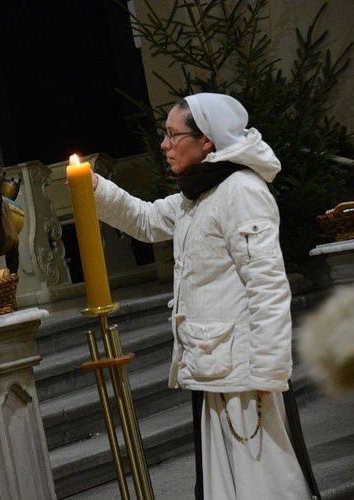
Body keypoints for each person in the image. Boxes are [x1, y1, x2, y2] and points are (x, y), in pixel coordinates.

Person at [79, 93, 317, 499]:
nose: (164, 145)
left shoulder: (240, 190)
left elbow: (268, 285)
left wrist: (268, 371)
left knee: (264, 481)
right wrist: (93, 186)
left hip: (245, 371)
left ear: (206, 140)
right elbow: (147, 219)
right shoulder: (200, 194)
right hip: (215, 364)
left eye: (174, 135)